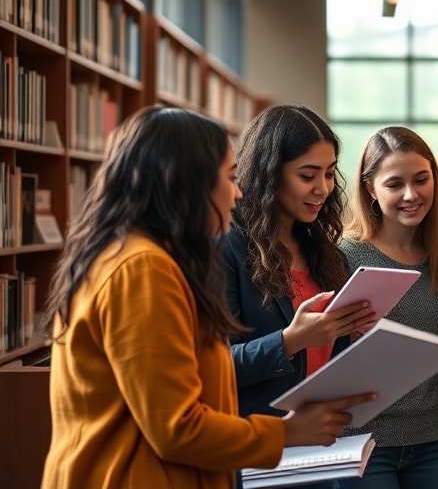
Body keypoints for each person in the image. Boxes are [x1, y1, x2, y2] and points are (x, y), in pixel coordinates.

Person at [41, 106, 373, 489]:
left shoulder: (133, 258)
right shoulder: (142, 269)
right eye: (230, 177)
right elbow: (176, 427)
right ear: (188, 181)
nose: (238, 192)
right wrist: (285, 432)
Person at [223, 104, 377, 489]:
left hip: (321, 452)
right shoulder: (228, 248)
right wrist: (291, 341)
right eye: (307, 175)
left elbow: (327, 359)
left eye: (328, 173)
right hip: (259, 453)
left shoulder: (325, 252)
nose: (323, 188)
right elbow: (210, 368)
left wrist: (353, 336)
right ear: (269, 174)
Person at [338, 126, 438, 488]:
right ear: (370, 189)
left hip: (430, 438)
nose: (411, 194)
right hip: (362, 440)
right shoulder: (344, 257)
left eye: (421, 179)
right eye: (394, 184)